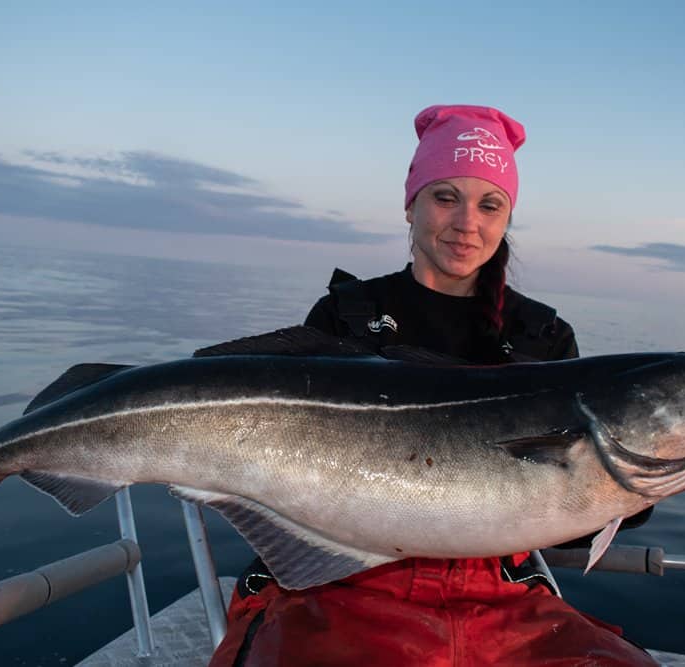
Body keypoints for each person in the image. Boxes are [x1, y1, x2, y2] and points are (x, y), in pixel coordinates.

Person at [210, 104, 657, 666]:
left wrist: (639, 482)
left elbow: (561, 525)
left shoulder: (542, 335)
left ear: (506, 218)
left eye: (489, 204)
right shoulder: (346, 315)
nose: (467, 222)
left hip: (498, 594)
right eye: (445, 196)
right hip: (340, 580)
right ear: (411, 204)